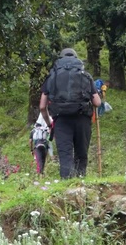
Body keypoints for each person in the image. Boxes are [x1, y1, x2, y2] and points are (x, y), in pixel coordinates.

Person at [39, 48, 101, 179]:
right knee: (81, 154)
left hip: (61, 120)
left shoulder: (52, 76)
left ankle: (67, 188)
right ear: (76, 59)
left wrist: (49, 123)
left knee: (65, 155)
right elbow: (97, 102)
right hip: (82, 118)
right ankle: (81, 184)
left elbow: (42, 106)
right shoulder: (85, 74)